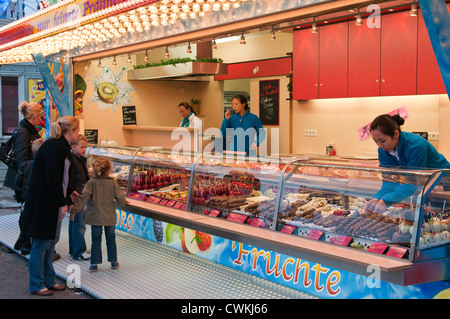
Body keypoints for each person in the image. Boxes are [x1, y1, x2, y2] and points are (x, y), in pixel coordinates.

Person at [21, 116, 80, 296]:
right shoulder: (54, 147)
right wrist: (61, 203)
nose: (78, 133)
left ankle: (49, 280)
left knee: (50, 244)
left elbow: (62, 177)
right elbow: (52, 178)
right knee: (41, 244)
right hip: (43, 205)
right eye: (77, 130)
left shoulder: (60, 147)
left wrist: (69, 191)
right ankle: (37, 284)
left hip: (51, 202)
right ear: (70, 131)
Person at [365, 114, 450, 214]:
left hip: (444, 185)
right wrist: (377, 198)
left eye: (382, 140)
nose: (380, 145)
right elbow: (389, 181)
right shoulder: (383, 150)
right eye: (375, 141)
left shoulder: (416, 145)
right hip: (424, 188)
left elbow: (412, 182)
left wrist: (386, 200)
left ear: (396, 134)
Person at [69, 157, 127, 272]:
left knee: (96, 240)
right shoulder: (112, 183)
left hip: (95, 217)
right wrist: (123, 202)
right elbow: (121, 199)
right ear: (109, 170)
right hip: (109, 217)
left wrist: (73, 211)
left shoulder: (91, 183)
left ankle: (94, 264)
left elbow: (83, 198)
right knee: (111, 239)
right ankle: (113, 261)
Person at [4, 102, 43, 255]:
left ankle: (22, 241)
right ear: (34, 116)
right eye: (40, 115)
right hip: (23, 177)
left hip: (25, 175)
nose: (41, 118)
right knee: (26, 211)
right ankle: (25, 243)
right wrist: (28, 176)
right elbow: (21, 159)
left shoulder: (28, 129)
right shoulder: (24, 132)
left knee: (26, 210)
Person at [14, 138, 44, 255]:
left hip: (26, 197)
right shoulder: (43, 166)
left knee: (24, 219)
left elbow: (18, 181)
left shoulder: (25, 165)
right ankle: (28, 244)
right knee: (36, 222)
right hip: (38, 199)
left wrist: (20, 195)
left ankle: (24, 243)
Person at [67, 134, 90, 261]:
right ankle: (79, 251)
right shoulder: (73, 160)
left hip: (79, 194)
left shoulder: (79, 159)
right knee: (79, 224)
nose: (84, 149)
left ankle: (74, 249)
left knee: (75, 224)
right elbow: (71, 179)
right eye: (82, 147)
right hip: (76, 196)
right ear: (73, 146)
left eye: (86, 147)